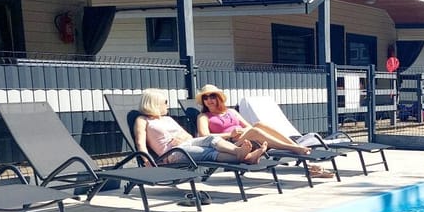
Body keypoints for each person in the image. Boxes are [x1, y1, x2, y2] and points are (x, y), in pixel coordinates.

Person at [193, 84, 333, 178]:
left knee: (260, 124)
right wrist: (230, 134)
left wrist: (241, 131)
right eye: (205, 98)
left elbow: (248, 126)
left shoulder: (231, 111)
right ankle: (295, 148)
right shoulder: (204, 116)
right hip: (229, 146)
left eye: (212, 96)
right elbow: (204, 136)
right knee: (256, 131)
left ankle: (295, 147)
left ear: (218, 98)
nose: (209, 100)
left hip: (245, 140)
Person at [134, 88, 267, 166]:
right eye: (165, 102)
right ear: (155, 103)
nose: (167, 105)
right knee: (208, 153)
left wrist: (181, 137)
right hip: (173, 153)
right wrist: (147, 161)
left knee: (210, 139)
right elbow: (140, 144)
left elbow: (189, 136)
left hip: (186, 143)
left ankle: (238, 152)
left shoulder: (168, 118)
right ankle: (246, 157)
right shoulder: (142, 120)